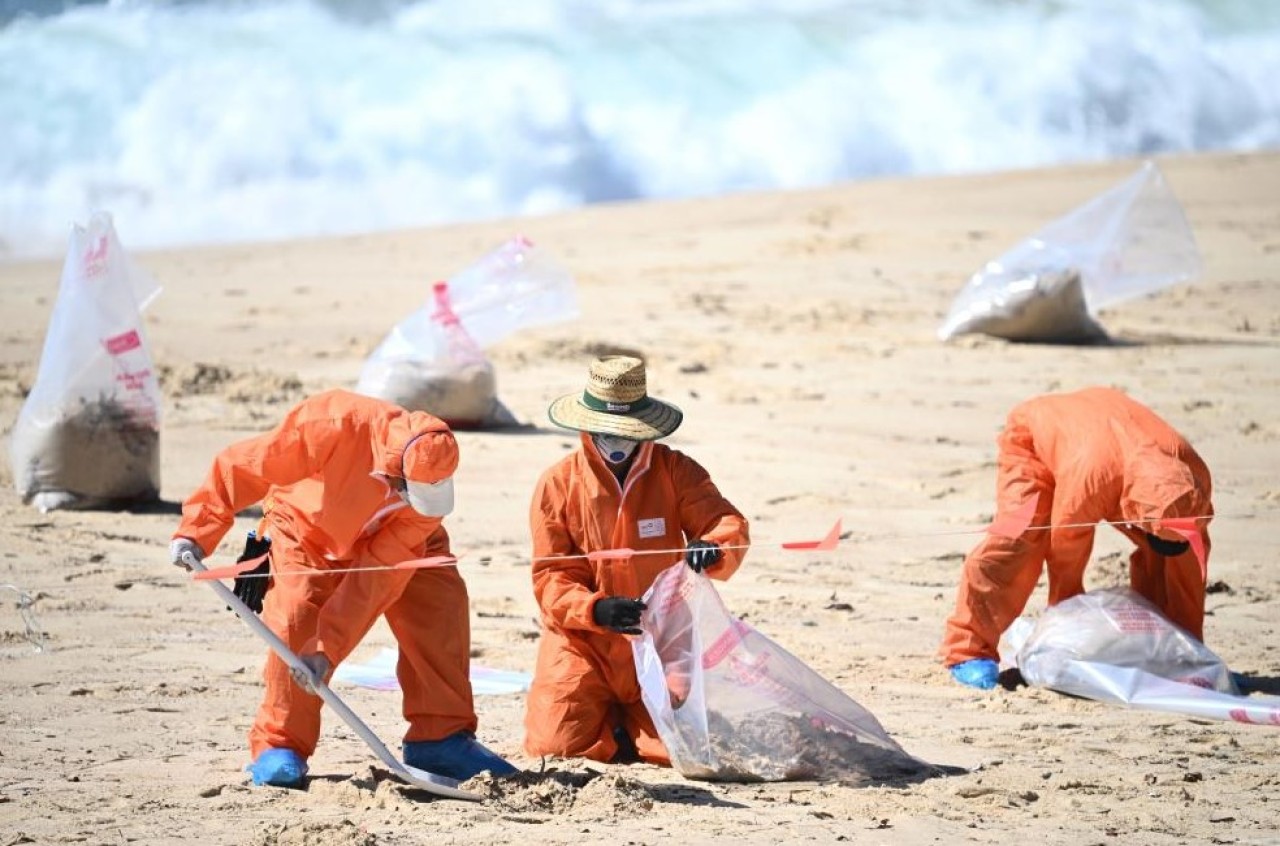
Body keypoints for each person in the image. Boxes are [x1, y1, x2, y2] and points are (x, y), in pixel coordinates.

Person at [169, 389, 517, 786]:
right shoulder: (329, 425)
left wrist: (328, 649)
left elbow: (376, 579)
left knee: (439, 605)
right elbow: (241, 465)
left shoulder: (423, 506)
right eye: (412, 491)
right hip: (305, 531)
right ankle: (279, 744)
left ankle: (441, 737)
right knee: (296, 619)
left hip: (392, 538)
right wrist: (197, 531)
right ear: (392, 473)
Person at [523, 355, 750, 764]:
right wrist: (595, 609)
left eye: (625, 431)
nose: (615, 440)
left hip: (661, 640)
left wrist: (713, 546)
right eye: (605, 430)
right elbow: (550, 577)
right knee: (554, 746)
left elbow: (725, 522)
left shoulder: (675, 470)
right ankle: (612, 724)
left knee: (683, 751)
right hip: (584, 644)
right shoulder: (557, 484)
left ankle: (631, 726)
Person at [940, 386, 1214, 690]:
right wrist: (1065, 625)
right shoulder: (1095, 477)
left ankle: (1169, 653)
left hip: (1107, 436)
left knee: (1171, 555)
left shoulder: (1193, 472)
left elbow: (1190, 563)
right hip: (1037, 437)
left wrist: (1193, 653)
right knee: (1018, 539)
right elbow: (1066, 543)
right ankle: (967, 650)